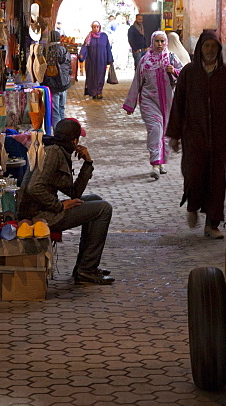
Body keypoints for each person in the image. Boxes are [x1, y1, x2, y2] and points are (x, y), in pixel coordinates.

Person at [166, 30, 226, 238]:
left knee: (217, 180)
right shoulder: (188, 73)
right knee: (194, 174)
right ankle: (192, 206)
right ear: (200, 49)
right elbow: (179, 104)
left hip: (221, 136)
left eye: (214, 47)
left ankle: (212, 224)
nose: (210, 50)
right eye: (207, 46)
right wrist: (174, 134)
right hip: (194, 135)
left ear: (219, 49)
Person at [16, 117, 115, 285]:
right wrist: (59, 205)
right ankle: (86, 270)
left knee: (95, 201)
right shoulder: (53, 153)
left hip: (43, 208)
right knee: (104, 208)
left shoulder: (59, 150)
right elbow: (34, 187)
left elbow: (74, 192)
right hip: (40, 215)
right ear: (74, 140)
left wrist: (87, 163)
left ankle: (84, 267)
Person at [123, 30, 182, 180]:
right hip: (149, 101)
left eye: (162, 41)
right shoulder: (145, 61)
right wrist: (130, 104)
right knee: (156, 128)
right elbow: (137, 81)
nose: (160, 44)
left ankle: (162, 162)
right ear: (152, 42)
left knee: (166, 131)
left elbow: (185, 74)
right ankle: (155, 164)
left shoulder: (171, 58)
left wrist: (174, 71)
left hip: (168, 101)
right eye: (157, 41)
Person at [43, 29, 72, 129]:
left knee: (55, 112)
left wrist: (49, 83)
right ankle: (64, 131)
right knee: (61, 109)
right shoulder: (65, 50)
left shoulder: (48, 52)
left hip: (54, 85)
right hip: (65, 84)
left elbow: (46, 72)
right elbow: (69, 68)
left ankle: (58, 134)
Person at [80, 21, 114, 100]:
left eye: (97, 27)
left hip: (102, 60)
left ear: (99, 27)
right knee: (92, 76)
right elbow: (85, 47)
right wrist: (81, 56)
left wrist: (110, 59)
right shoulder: (89, 37)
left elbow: (108, 47)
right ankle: (93, 92)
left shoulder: (104, 36)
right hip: (91, 61)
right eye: (94, 27)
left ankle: (99, 92)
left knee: (100, 76)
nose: (95, 28)